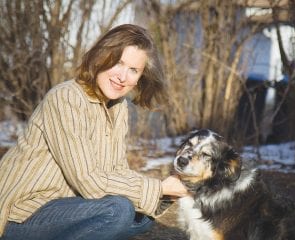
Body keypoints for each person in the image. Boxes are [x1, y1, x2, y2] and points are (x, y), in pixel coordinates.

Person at [0, 24, 188, 240]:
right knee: (118, 210)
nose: (122, 77)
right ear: (101, 57)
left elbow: (116, 170)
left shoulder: (118, 107)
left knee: (144, 214)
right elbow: (88, 181)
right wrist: (159, 187)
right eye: (118, 63)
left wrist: (172, 193)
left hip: (65, 206)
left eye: (133, 70)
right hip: (21, 214)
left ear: (140, 77)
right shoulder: (66, 98)